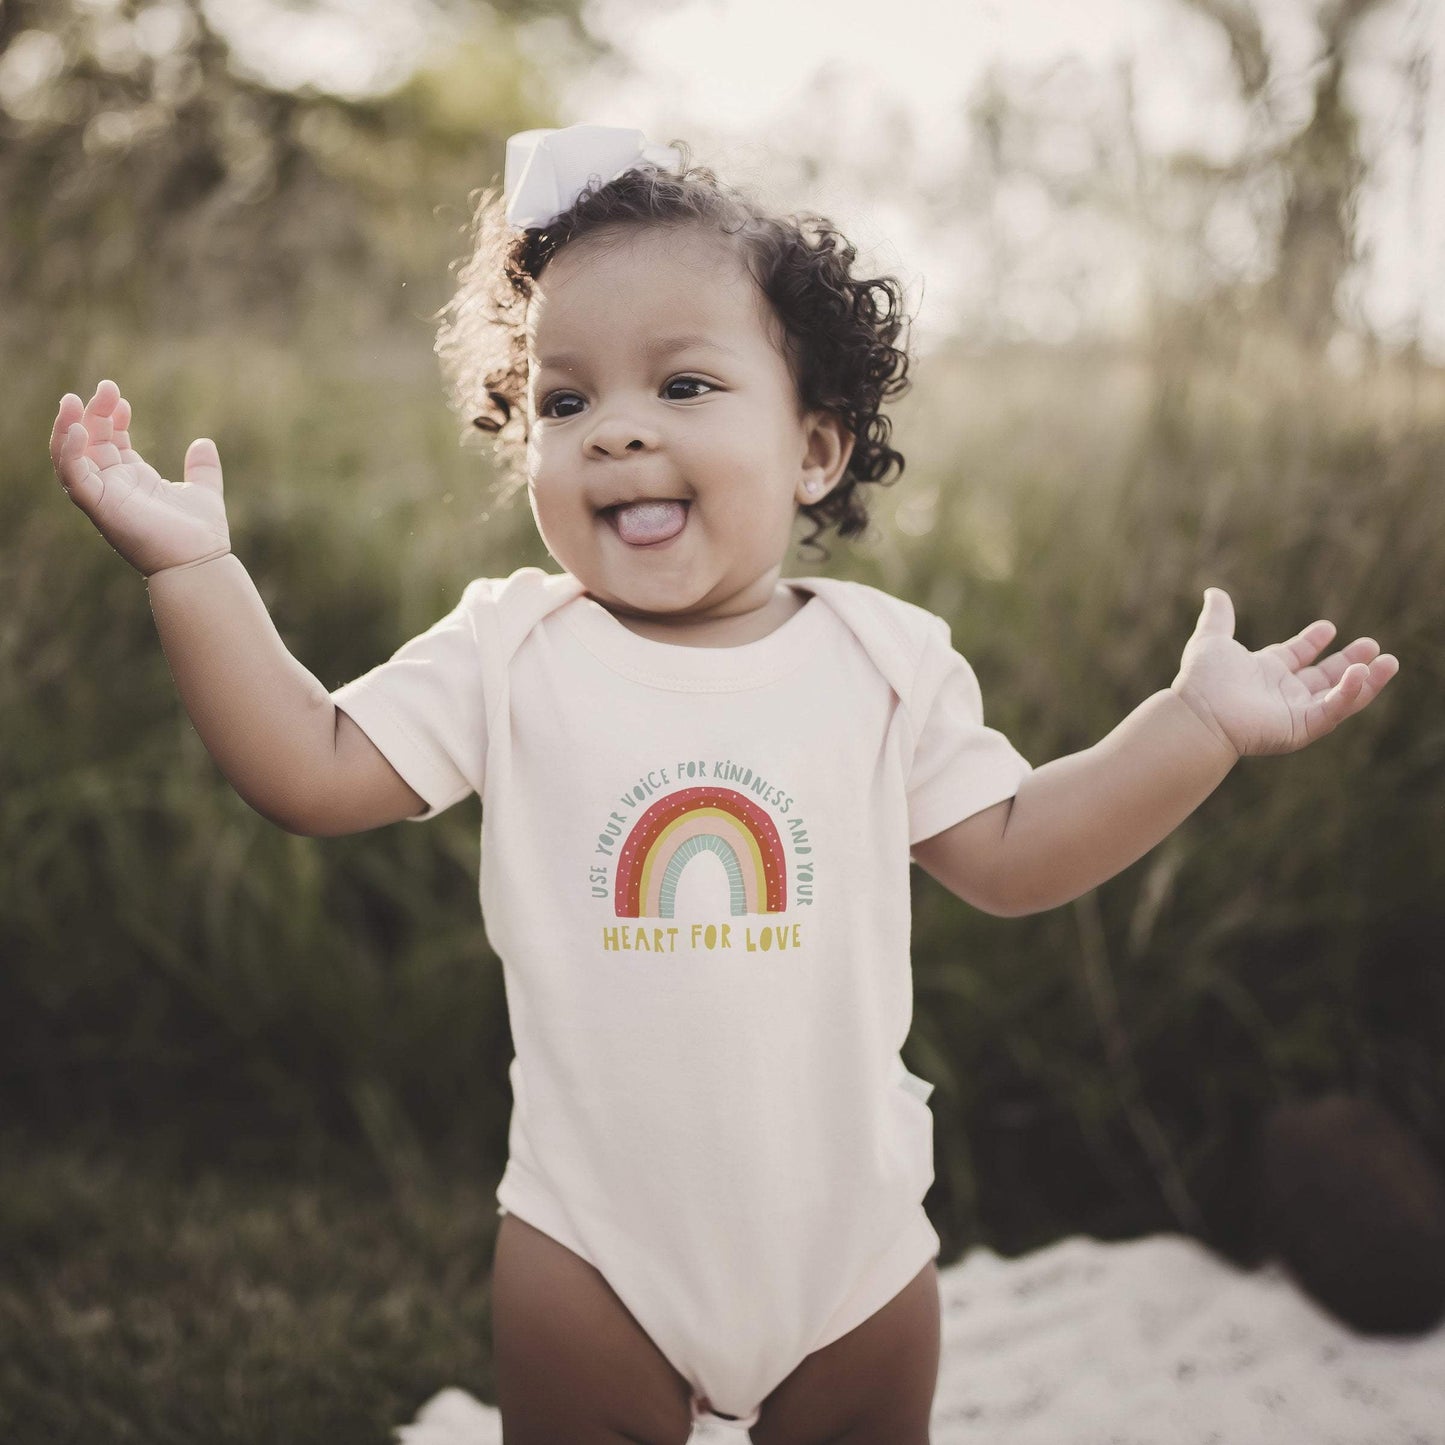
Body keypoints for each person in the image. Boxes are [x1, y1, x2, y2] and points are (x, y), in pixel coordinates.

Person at [48, 122, 1398, 1445]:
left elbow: (1014, 853)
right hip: (592, 1249)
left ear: (814, 448)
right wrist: (193, 571)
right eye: (566, 401)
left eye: (683, 386)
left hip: (848, 1251)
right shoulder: (509, 649)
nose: (616, 433)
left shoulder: (883, 660)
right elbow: (310, 767)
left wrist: (1193, 728)